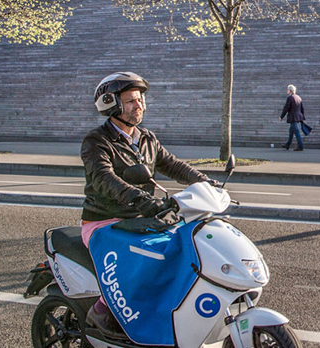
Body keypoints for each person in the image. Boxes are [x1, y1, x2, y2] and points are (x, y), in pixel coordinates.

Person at [81, 71, 215, 339]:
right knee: (138, 260)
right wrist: (142, 200)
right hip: (107, 221)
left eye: (140, 99)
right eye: (131, 100)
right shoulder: (97, 141)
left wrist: (205, 182)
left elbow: (172, 164)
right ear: (111, 104)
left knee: (183, 246)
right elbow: (104, 178)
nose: (139, 104)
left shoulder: (147, 138)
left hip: (144, 218)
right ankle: (100, 310)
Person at [279, 84, 305, 151]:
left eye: (287, 90)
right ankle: (287, 145)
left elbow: (286, 108)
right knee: (291, 131)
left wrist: (281, 116)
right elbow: (302, 108)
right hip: (298, 117)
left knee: (296, 131)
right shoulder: (299, 97)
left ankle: (301, 146)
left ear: (290, 91)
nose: (287, 91)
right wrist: (302, 116)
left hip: (293, 117)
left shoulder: (290, 98)